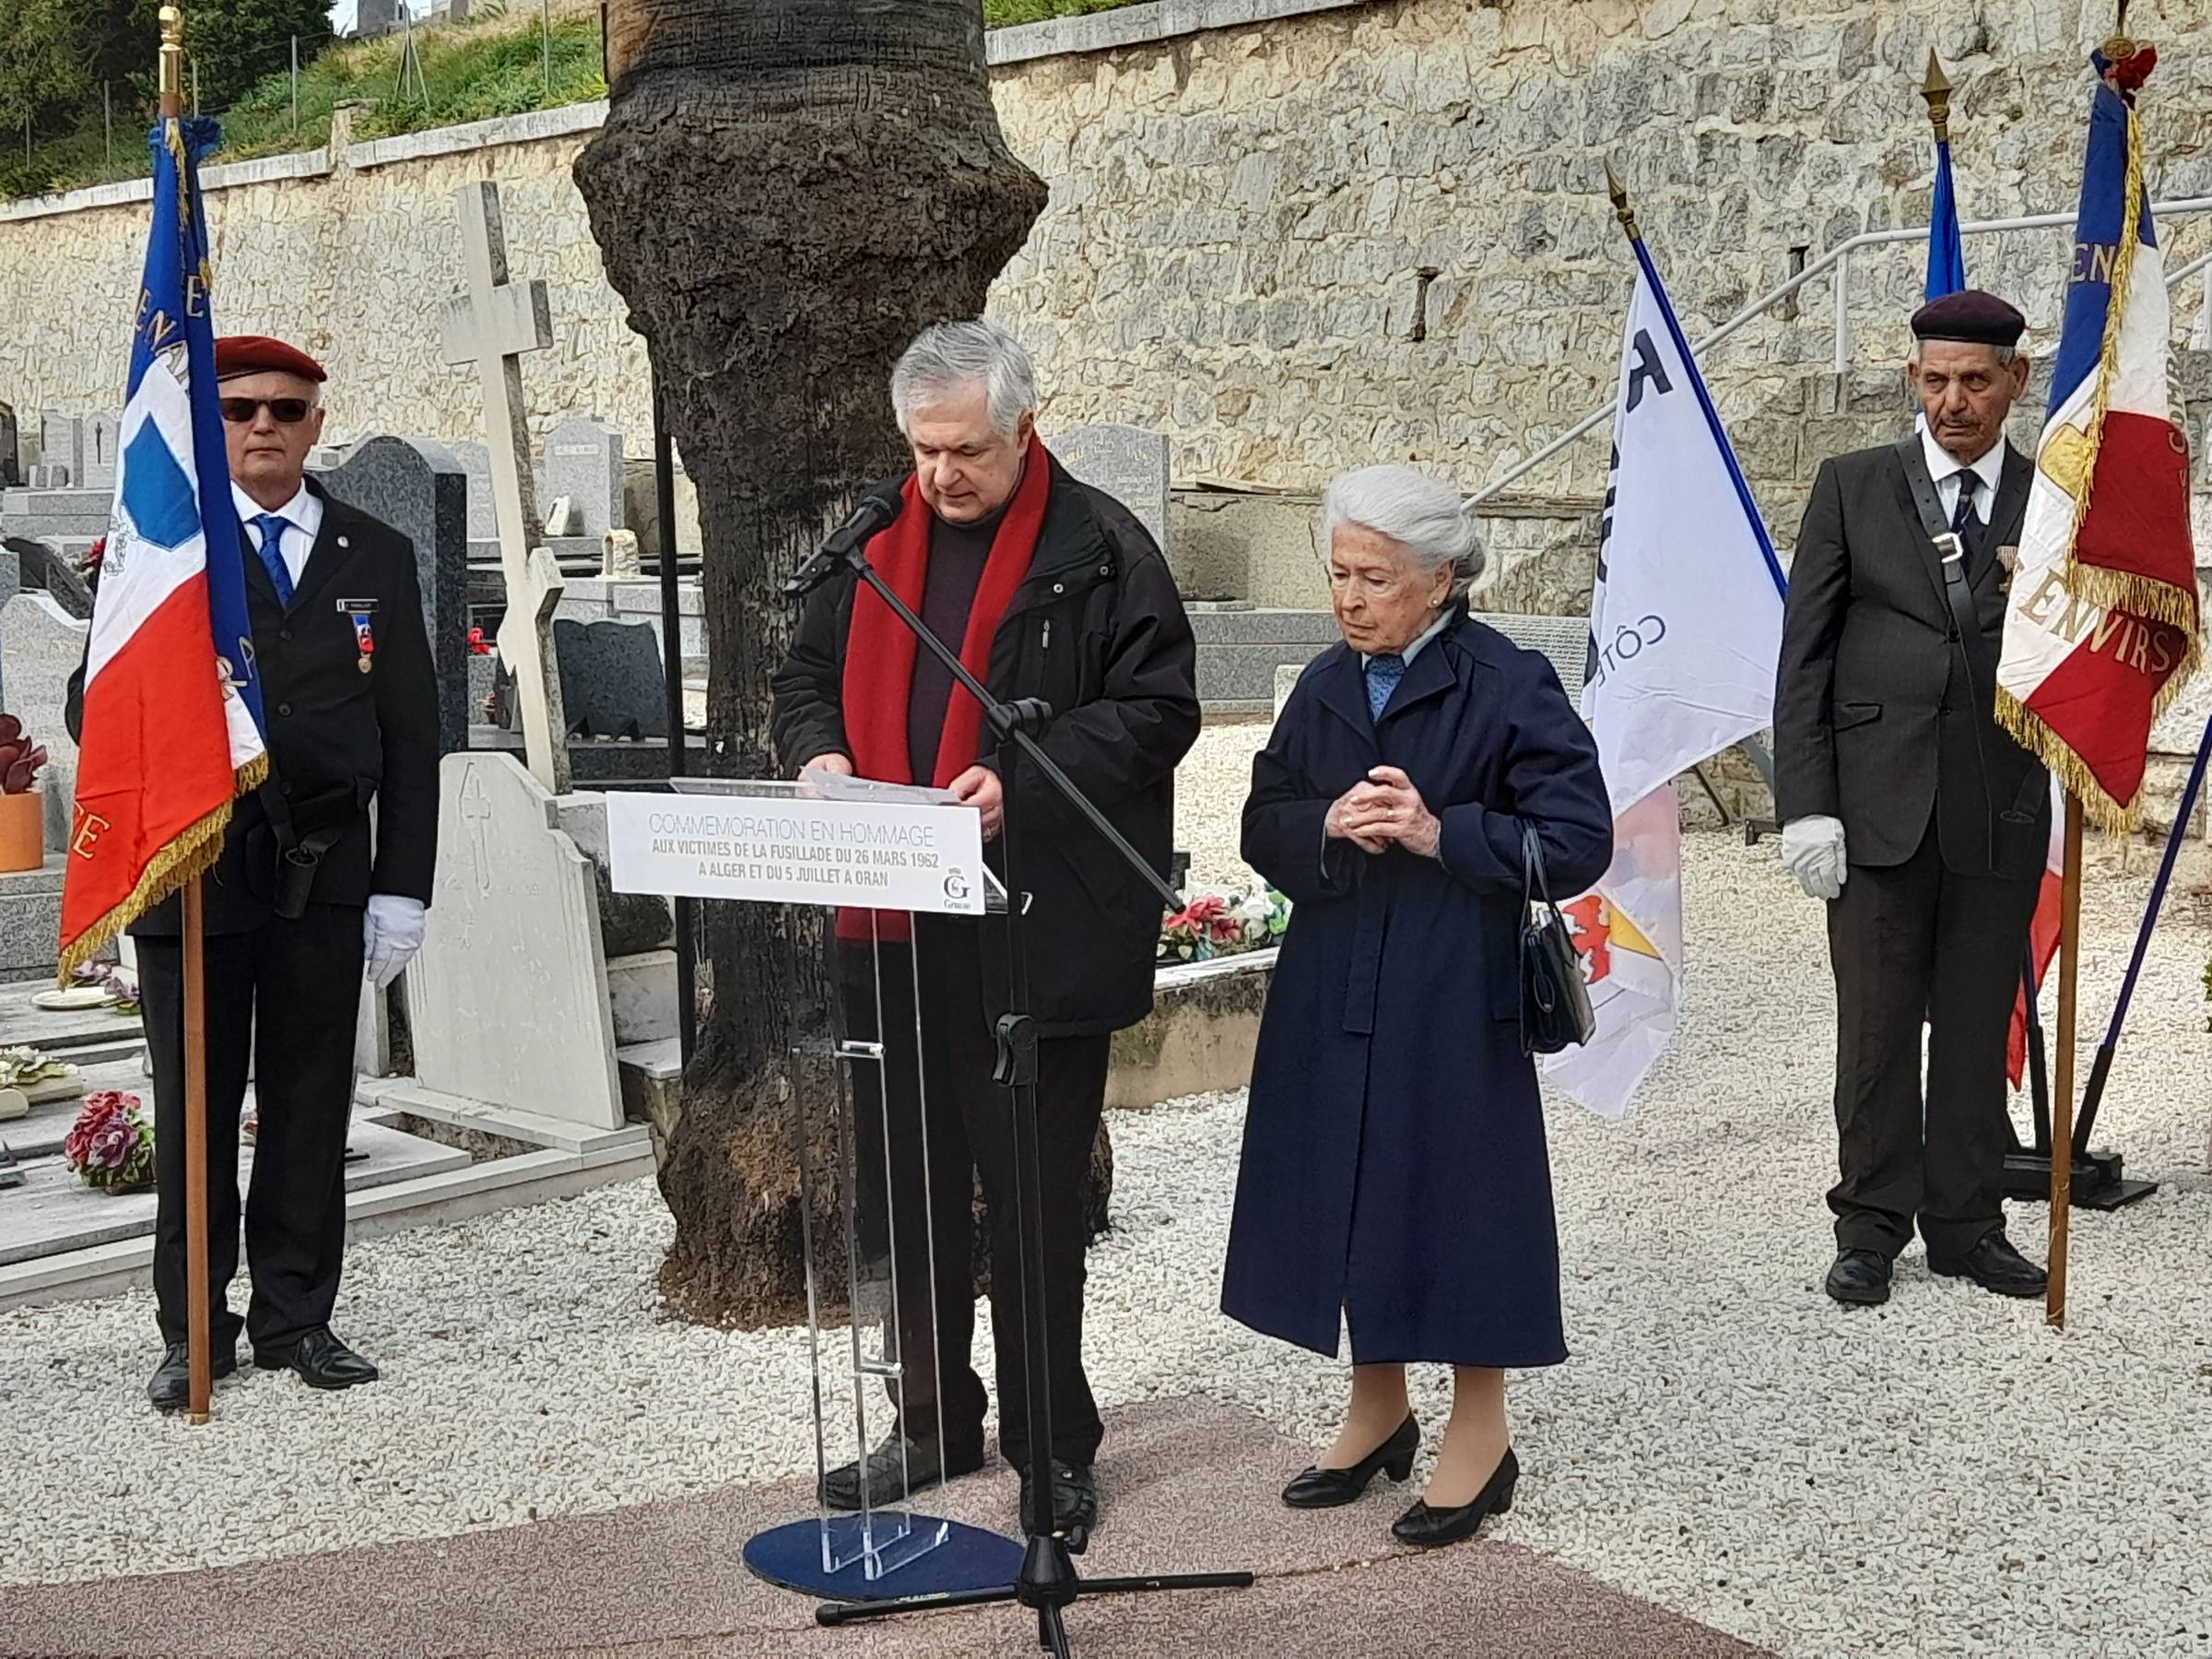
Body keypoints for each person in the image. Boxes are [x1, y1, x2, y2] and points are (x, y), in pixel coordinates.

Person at [770, 318, 1198, 1549]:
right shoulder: (866, 545)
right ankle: (933, 1419)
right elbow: (801, 680)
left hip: (1030, 928)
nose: (941, 475)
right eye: (923, 450)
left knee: (1031, 1205)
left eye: (965, 450)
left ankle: (1053, 1443)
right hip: (888, 923)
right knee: (899, 1192)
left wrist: (1027, 771)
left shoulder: (1101, 548)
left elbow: (1158, 709)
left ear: (1023, 427)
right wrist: (819, 756)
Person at [1220, 465, 1612, 1549]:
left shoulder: (1509, 682)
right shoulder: (1323, 682)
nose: (1349, 599)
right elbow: (1264, 815)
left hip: (1454, 984)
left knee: (1454, 1195)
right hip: (1333, 974)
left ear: (1440, 580)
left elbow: (1580, 840)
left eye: (1375, 579)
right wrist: (1324, 824)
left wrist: (1447, 834)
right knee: (1345, 1185)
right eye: (1339, 574)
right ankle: (1378, 1407)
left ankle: (1480, 1434)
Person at [68, 336, 440, 1410]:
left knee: (311, 1099)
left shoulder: (373, 552)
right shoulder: (162, 555)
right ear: (208, 426)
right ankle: (195, 1329)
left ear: (318, 423)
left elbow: (411, 735)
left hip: (325, 870)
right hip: (201, 868)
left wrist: (403, 887)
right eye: (238, 411)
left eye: (286, 408)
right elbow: (92, 712)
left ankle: (296, 1317)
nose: (263, 427)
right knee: (195, 1104)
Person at [1773, 288, 2051, 1310]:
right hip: (1875, 803)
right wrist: (1806, 802)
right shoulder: (1854, 487)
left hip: (1999, 805)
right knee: (1878, 1028)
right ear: (1911, 380)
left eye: (1976, 381)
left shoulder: (2052, 501)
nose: (1955, 402)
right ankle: (1870, 1225)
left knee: (1978, 1026)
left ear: (2015, 381)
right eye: (1935, 381)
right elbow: (1802, 657)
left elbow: (2081, 654)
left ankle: (1969, 1225)